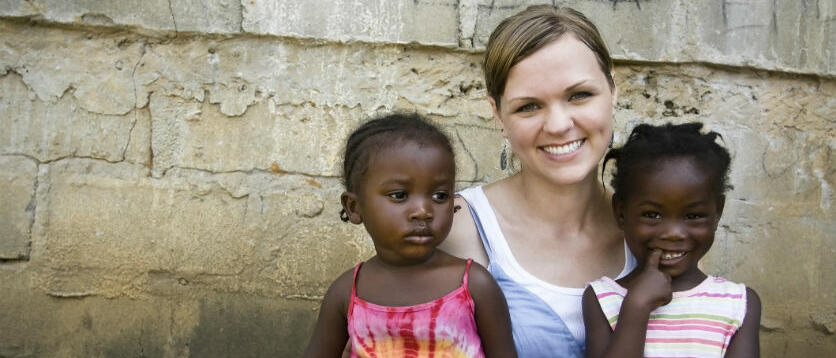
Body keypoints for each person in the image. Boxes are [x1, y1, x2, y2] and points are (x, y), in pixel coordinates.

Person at [440, 5, 636, 356]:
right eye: (529, 106)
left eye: (579, 95)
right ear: (498, 114)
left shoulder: (655, 226)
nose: (559, 125)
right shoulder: (455, 226)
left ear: (613, 90)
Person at [303, 113, 517, 358]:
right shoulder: (346, 294)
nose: (423, 211)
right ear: (354, 207)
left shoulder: (474, 286)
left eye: (439, 196)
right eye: (399, 195)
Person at [582, 122, 761, 357]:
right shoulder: (603, 299)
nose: (673, 233)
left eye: (693, 216)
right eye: (652, 215)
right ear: (621, 212)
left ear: (717, 212)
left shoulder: (739, 305)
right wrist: (636, 308)